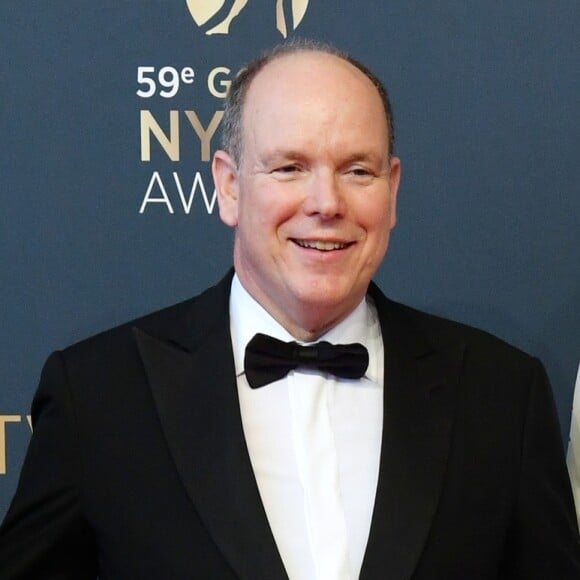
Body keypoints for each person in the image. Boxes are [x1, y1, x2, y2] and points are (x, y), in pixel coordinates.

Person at [1, 41, 579, 579]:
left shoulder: (502, 396)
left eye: (358, 170)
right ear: (229, 187)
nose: (326, 203)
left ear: (392, 190)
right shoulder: (100, 397)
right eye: (289, 168)